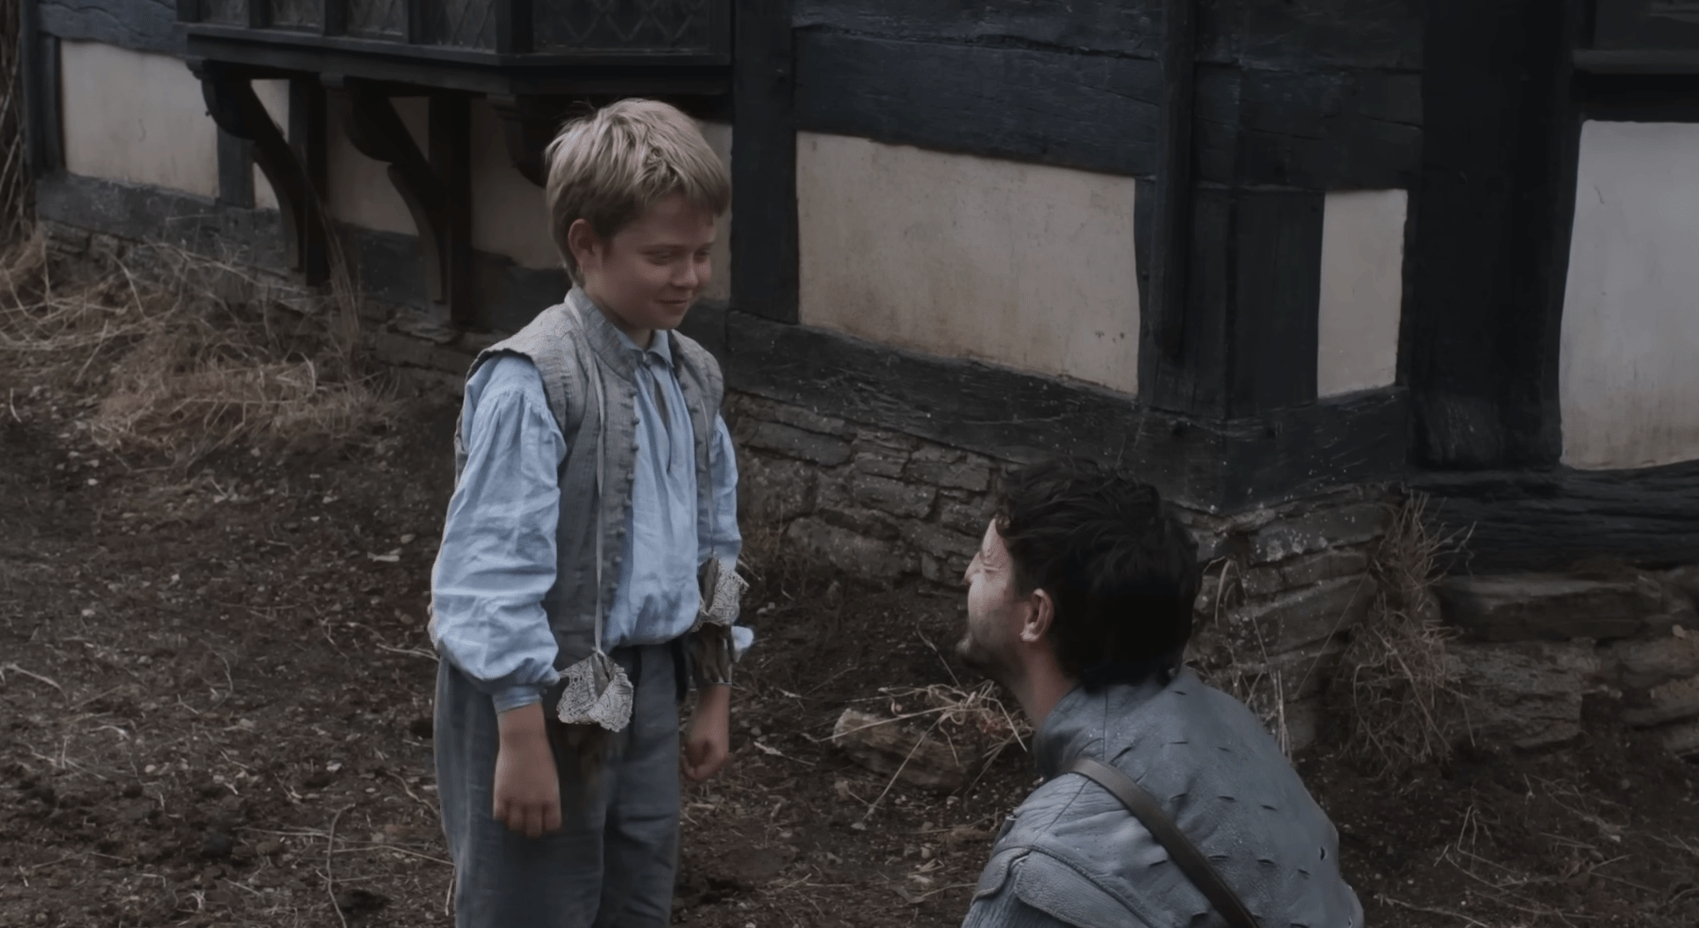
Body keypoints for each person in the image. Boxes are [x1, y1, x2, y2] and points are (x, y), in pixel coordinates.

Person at [428, 98, 749, 928]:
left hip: (645, 685)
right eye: (662, 256)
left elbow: (715, 544)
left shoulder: (691, 376)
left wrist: (712, 691)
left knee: (633, 893)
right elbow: (489, 570)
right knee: (533, 899)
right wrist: (520, 733)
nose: (689, 278)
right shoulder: (535, 382)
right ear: (586, 244)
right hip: (536, 693)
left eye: (701, 254)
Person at [956, 458, 1362, 928]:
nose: (967, 573)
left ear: (1035, 616)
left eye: (986, 564)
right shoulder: (1234, 729)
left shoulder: (1042, 869)